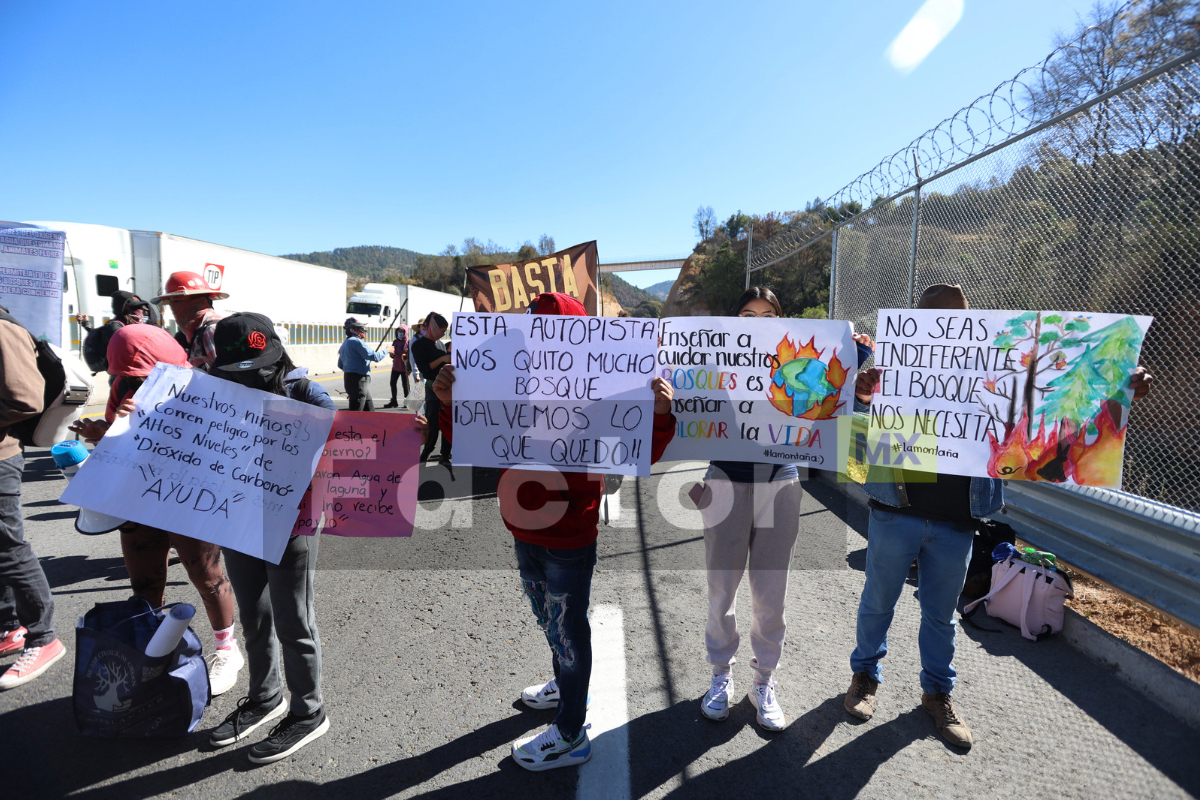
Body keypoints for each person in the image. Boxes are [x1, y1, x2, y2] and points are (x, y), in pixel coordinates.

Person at [843, 283, 1153, 749]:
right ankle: (865, 677)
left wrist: (1118, 388)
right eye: (933, 320)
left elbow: (1054, 400)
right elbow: (842, 423)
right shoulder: (892, 371)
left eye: (958, 320)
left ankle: (937, 694)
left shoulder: (998, 373)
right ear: (915, 323)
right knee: (877, 604)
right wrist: (862, 394)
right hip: (895, 511)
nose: (946, 329)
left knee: (942, 617)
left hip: (958, 521)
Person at [431, 292, 678, 771]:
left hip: (569, 536)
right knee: (548, 617)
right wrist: (449, 403)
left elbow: (640, 452)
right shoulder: (510, 384)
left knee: (568, 628)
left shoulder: (604, 391)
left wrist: (662, 415)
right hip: (522, 527)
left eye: (551, 335)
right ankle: (564, 684)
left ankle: (570, 733)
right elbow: (475, 443)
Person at [697, 287, 874, 731]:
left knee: (770, 594)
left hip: (781, 479)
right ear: (733, 321)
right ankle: (720, 675)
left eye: (767, 313)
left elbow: (829, 399)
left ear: (781, 319)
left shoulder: (798, 365)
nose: (756, 320)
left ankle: (764, 680)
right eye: (746, 314)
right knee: (722, 589)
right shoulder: (712, 359)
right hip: (725, 480)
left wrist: (853, 359)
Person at [69, 325, 245, 695]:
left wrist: (151, 422)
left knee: (207, 577)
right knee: (145, 583)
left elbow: (219, 451)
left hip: (188, 496)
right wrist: (106, 429)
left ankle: (228, 649)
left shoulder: (201, 388)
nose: (134, 382)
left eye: (143, 374)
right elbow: (123, 442)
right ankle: (154, 651)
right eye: (126, 375)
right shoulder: (122, 387)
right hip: (138, 496)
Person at [206, 312, 336, 764]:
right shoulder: (211, 392)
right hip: (236, 520)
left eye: (259, 368)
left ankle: (308, 712)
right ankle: (265, 697)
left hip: (292, 526)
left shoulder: (304, 391)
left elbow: (357, 441)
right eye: (238, 371)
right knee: (254, 616)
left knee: (293, 619)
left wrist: (402, 439)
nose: (251, 379)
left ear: (277, 354)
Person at [0, 306, 65, 690]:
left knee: (9, 547)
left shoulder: (3, 329)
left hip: (2, 457)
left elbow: (25, 399)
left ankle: (44, 637)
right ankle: (11, 627)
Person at [152, 271, 229, 372]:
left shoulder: (211, 329)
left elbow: (227, 375)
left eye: (177, 299)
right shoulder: (196, 330)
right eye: (170, 301)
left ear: (197, 299)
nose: (173, 306)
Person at [80, 290, 154, 377]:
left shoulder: (130, 323)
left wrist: (86, 324)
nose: (139, 311)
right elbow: (127, 350)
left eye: (140, 308)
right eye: (134, 307)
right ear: (122, 308)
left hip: (133, 372)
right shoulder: (114, 326)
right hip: (122, 375)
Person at [411, 313, 451, 466]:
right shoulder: (419, 345)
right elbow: (425, 369)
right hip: (433, 388)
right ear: (434, 327)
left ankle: (445, 454)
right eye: (442, 329)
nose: (443, 333)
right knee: (433, 423)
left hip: (447, 388)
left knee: (448, 422)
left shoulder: (440, 344)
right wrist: (442, 359)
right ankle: (427, 452)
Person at [338, 317, 390, 412]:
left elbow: (340, 364)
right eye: (359, 328)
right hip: (358, 381)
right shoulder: (356, 342)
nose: (362, 330)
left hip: (351, 379)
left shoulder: (345, 343)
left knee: (369, 411)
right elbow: (375, 357)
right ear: (353, 330)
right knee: (356, 413)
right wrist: (387, 350)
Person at [382, 324, 412, 409]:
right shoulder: (395, 342)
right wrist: (392, 355)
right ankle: (394, 401)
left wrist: (409, 367)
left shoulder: (408, 343)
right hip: (395, 367)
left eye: (402, 331)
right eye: (399, 331)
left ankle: (407, 402)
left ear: (406, 332)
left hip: (404, 367)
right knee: (392, 383)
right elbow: (392, 352)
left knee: (405, 385)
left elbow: (410, 355)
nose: (400, 333)